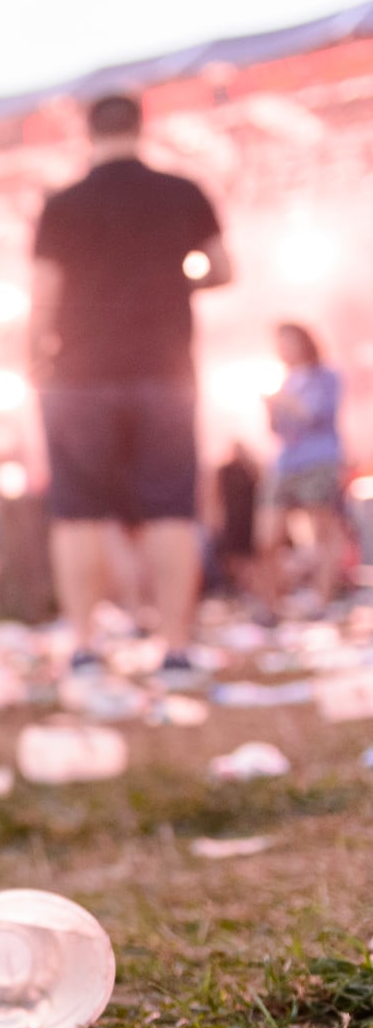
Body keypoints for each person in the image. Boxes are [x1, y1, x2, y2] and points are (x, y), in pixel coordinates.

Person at [30, 92, 232, 675]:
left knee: (77, 513)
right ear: (142, 129)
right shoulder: (182, 192)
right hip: (165, 370)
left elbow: (44, 294)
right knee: (172, 509)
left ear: (87, 134)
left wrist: (34, 356)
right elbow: (222, 268)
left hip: (78, 375)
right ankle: (174, 646)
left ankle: (86, 645)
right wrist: (174, 285)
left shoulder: (63, 204)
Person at [261, 321, 352, 606]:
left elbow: (315, 415)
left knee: (323, 533)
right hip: (285, 463)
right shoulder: (286, 380)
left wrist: (284, 401)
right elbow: (278, 430)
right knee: (267, 537)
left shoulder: (326, 376)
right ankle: (271, 603)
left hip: (319, 460)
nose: (283, 348)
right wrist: (270, 409)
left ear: (304, 342)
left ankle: (322, 599)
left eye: (287, 341)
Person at [215, 442, 261, 601]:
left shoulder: (250, 469)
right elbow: (215, 494)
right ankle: (242, 588)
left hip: (248, 517)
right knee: (234, 555)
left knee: (248, 555)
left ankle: (248, 589)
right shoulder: (224, 470)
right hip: (233, 517)